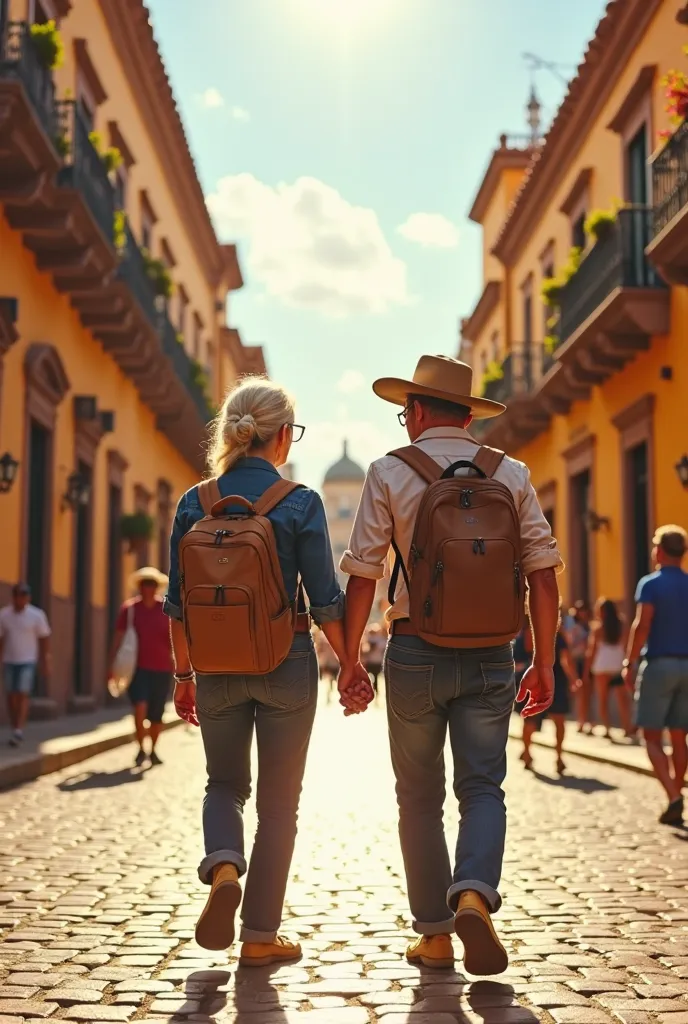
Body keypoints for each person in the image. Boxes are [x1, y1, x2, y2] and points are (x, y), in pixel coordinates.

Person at [339, 355, 563, 975]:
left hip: (412, 651)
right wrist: (543, 662)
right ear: (467, 414)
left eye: (405, 409)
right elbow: (544, 573)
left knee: (418, 798)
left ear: (415, 410)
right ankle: (472, 893)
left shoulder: (389, 470)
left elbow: (363, 573)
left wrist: (352, 658)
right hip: (493, 652)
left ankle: (435, 935)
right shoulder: (510, 472)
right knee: (483, 787)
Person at [164, 377, 371, 968]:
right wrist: (352, 666)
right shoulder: (299, 501)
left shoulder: (192, 502)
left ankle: (224, 865)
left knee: (223, 785)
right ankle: (260, 935)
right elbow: (327, 598)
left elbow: (176, 603)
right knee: (280, 805)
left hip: (216, 668)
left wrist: (183, 676)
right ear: (282, 436)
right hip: (286, 663)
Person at [623, 525, 688, 826]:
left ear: (659, 550)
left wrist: (630, 661)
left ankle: (674, 795)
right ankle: (676, 790)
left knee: (651, 736)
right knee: (679, 735)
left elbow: (642, 624)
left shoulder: (650, 584)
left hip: (659, 665)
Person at [109, 567, 173, 767]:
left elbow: (175, 638)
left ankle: (153, 749)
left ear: (156, 587)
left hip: (162, 668)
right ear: (139, 587)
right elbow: (118, 637)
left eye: (152, 584)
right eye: (145, 584)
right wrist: (112, 665)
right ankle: (140, 749)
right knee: (139, 707)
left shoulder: (166, 610)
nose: (148, 588)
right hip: (137, 669)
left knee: (156, 715)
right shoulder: (130, 609)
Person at [521, 626, 580, 775]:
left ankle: (538, 755)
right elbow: (566, 659)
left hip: (548, 679)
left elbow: (566, 658)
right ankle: (533, 753)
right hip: (549, 680)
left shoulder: (552, 635)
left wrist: (573, 679)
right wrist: (573, 679)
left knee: (537, 720)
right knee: (537, 720)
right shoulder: (551, 634)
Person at [0, 583, 51, 746]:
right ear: (13, 597)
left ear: (28, 598)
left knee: (23, 693)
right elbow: (1, 639)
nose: (20, 599)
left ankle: (18, 729)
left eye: (24, 595)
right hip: (9, 660)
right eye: (17, 595)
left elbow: (44, 639)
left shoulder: (36, 615)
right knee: (11, 695)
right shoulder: (4, 615)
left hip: (28, 660)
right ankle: (14, 724)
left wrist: (45, 661)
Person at [585, 598, 634, 739]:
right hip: (618, 665)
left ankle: (607, 728)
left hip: (601, 667)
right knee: (623, 700)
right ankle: (627, 727)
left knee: (602, 700)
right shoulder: (622, 625)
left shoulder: (598, 628)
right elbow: (626, 646)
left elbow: (591, 651)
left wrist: (587, 670)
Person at [566, 600, 592, 733]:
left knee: (588, 692)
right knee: (580, 692)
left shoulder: (590, 625)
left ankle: (588, 720)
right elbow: (570, 645)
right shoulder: (573, 626)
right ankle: (581, 721)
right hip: (578, 660)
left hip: (589, 661)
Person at [363, 622, 387, 702]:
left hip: (374, 662)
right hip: (375, 661)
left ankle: (371, 694)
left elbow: (366, 650)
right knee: (374, 679)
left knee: (371, 679)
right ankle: (373, 694)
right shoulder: (380, 640)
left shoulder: (372, 639)